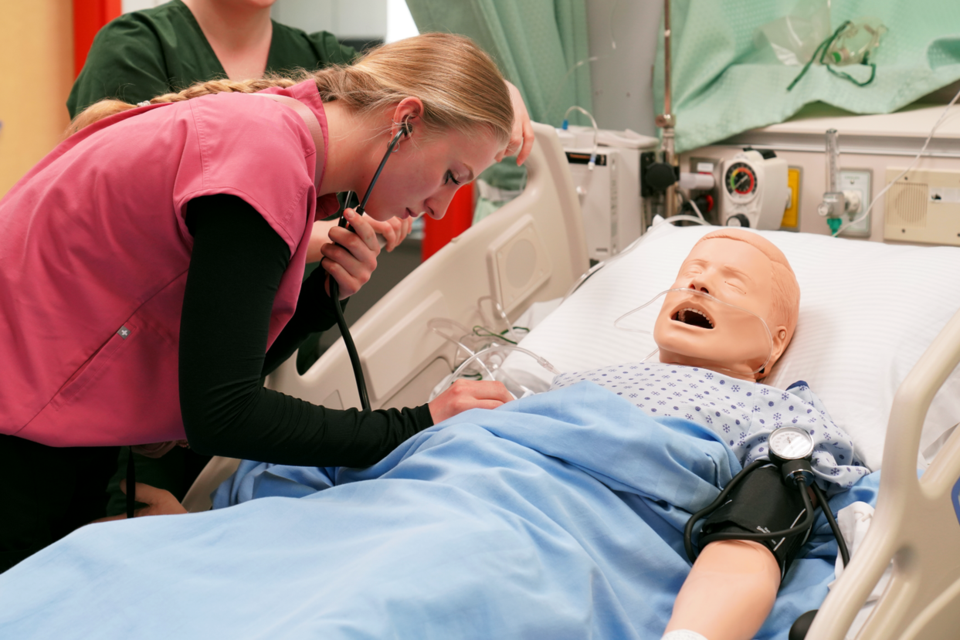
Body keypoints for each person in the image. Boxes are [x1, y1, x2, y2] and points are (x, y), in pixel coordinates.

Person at [0, 33, 519, 573]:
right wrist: (417, 423)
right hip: (19, 426)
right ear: (405, 119)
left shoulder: (281, 143)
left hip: (50, 416)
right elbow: (224, 414)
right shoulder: (264, 160)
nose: (441, 207)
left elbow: (220, 359)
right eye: (452, 177)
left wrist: (322, 298)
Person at [551, 228, 865, 640]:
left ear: (776, 344)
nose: (698, 284)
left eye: (732, 282)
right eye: (690, 274)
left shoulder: (778, 412)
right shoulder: (570, 382)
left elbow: (767, 515)